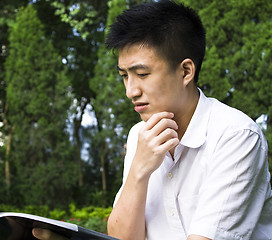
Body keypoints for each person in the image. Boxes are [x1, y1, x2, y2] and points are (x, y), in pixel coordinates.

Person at [32, 1, 272, 239]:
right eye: (124, 76)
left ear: (186, 71)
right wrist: (139, 169)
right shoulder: (140, 135)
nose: (130, 91)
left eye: (142, 74)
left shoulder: (235, 135)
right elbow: (123, 238)